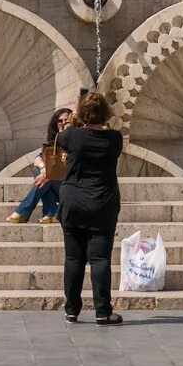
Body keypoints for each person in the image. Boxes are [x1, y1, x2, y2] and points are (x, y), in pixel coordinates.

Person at [57, 90, 124, 323]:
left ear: (82, 113)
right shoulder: (114, 139)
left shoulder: (71, 137)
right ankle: (103, 312)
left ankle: (72, 310)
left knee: (73, 258)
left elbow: (62, 138)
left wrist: (74, 116)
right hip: (101, 204)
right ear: (106, 114)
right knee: (100, 259)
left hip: (73, 201)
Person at [9, 107, 72, 225]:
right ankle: (51, 212)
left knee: (44, 177)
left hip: (69, 187)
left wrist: (49, 174)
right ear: (55, 123)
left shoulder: (75, 140)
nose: (63, 123)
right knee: (37, 170)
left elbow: (69, 167)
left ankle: (23, 209)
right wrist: (44, 169)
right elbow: (37, 159)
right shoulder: (55, 141)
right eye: (60, 120)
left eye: (66, 120)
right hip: (56, 184)